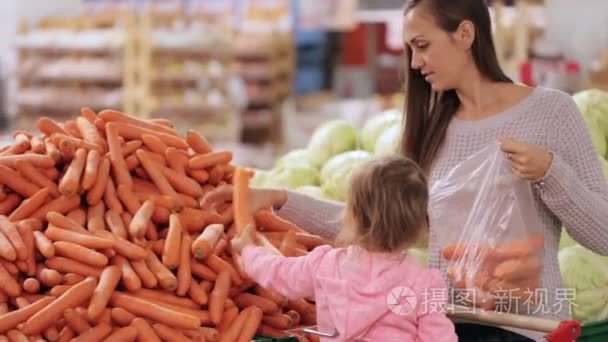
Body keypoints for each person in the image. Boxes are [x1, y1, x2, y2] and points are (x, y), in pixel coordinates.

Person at [203, 0, 608, 340]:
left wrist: (550, 172)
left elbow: (602, 236)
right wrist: (279, 200)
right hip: (444, 323)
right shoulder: (429, 130)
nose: (415, 63)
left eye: (422, 45)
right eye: (410, 50)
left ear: (465, 35)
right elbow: (374, 222)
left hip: (531, 328)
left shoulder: (552, 112)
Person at [230, 156, 457, 342]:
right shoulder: (426, 283)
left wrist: (248, 251)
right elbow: (440, 337)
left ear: (351, 216)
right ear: (420, 226)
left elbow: (279, 273)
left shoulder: (325, 266)